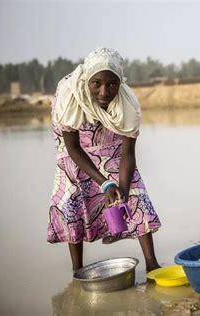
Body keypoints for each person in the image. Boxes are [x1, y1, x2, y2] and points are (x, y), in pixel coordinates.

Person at [47, 47, 161, 272]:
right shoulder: (69, 96)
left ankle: (152, 265)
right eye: (96, 83)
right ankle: (78, 270)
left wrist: (124, 190)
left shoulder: (127, 104)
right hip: (76, 149)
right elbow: (73, 148)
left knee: (136, 193)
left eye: (112, 84)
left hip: (111, 143)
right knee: (73, 197)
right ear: (87, 81)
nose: (104, 92)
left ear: (120, 82)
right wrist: (106, 183)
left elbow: (128, 154)